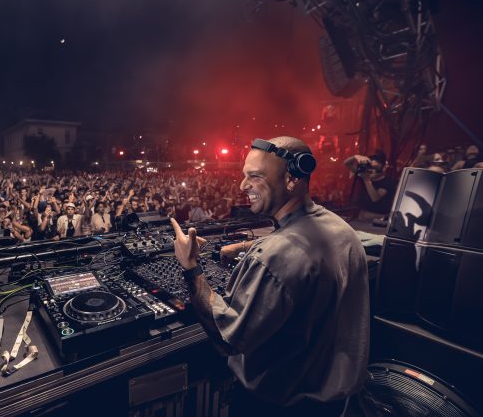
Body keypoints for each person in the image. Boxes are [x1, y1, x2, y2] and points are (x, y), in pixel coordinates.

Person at [170, 136, 369, 416]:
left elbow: (226, 337)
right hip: (332, 402)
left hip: (280, 406)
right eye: (244, 175)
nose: (243, 186)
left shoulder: (275, 257)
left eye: (255, 176)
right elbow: (300, 240)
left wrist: (190, 266)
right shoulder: (341, 230)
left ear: (292, 179)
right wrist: (246, 246)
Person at [344, 151, 397, 220]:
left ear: (384, 168)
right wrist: (356, 157)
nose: (372, 170)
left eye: (376, 168)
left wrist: (367, 180)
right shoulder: (365, 174)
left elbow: (375, 198)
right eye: (370, 167)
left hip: (377, 220)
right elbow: (347, 163)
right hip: (361, 218)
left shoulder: (389, 181)